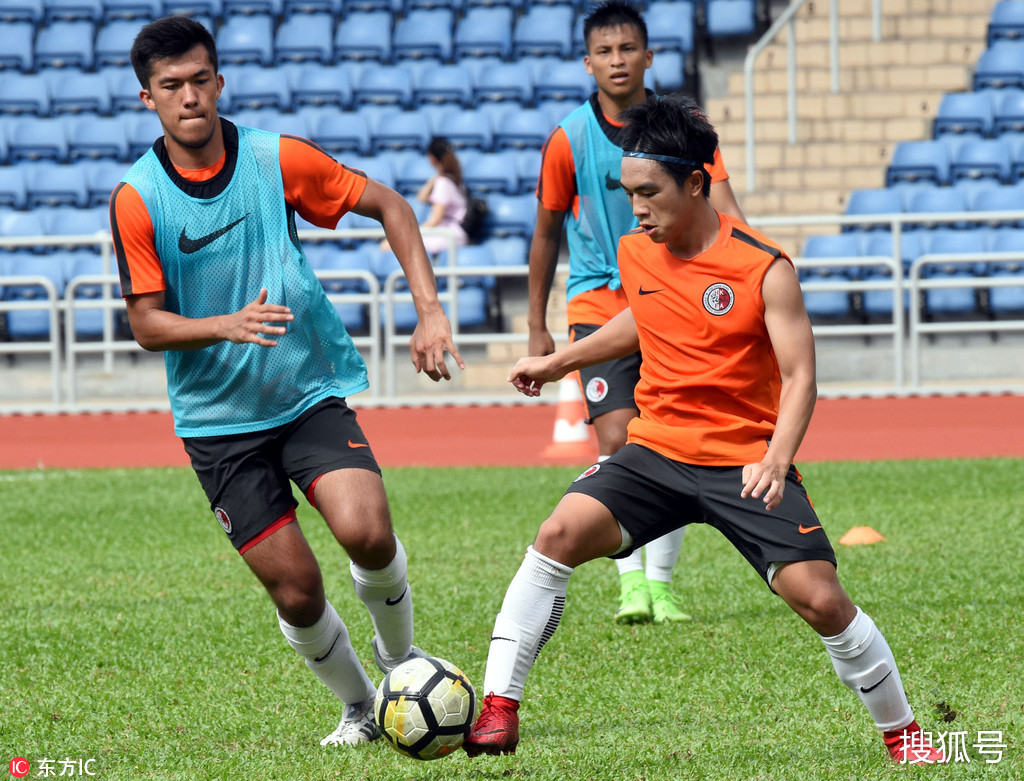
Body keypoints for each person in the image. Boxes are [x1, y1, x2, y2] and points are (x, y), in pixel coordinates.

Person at [462, 94, 944, 765]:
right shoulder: (637, 253)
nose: (636, 208)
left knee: (821, 599)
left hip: (746, 461)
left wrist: (778, 458)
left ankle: (907, 735)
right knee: (556, 535)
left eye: (649, 192)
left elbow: (801, 375)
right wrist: (557, 360)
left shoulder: (763, 265)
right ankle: (498, 709)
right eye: (628, 193)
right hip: (655, 452)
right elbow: (643, 319)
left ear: (695, 183)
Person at [110, 17, 464, 748]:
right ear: (148, 98)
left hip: (305, 391)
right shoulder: (138, 197)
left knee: (366, 530)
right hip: (218, 423)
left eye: (200, 80)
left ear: (220, 81)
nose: (190, 98)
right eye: (171, 86)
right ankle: (363, 708)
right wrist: (222, 324)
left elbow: (393, 207)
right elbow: (145, 324)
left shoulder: (275, 159)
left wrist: (429, 313)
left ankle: (402, 661)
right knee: (297, 589)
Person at [527, 0, 747, 626]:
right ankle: (631, 585)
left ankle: (663, 585)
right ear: (587, 61)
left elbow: (725, 204)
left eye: (628, 49)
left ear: (650, 56)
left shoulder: (686, 131)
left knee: (670, 434)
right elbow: (545, 232)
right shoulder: (568, 137)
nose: (617, 60)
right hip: (599, 299)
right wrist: (536, 322)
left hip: (675, 296)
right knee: (618, 437)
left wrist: (754, 268)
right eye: (605, 51)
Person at [379, 136, 468, 256]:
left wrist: (412, 232)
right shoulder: (453, 179)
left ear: (431, 159)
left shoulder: (443, 183)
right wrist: (438, 175)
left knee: (388, 245)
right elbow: (422, 196)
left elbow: (435, 220)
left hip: (448, 235)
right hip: (452, 233)